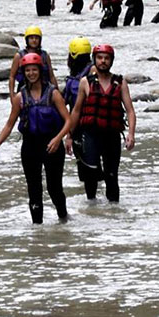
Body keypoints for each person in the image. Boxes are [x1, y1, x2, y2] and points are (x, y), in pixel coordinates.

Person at [0, 52, 71, 224]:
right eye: (27, 71)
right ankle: (37, 231)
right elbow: (9, 124)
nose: (31, 73)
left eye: (34, 70)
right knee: (34, 190)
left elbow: (69, 120)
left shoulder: (53, 94)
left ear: (40, 71)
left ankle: (63, 220)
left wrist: (59, 139)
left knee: (54, 188)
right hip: (30, 147)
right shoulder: (20, 97)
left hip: (52, 145)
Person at [53, 42, 135, 203]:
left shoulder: (120, 82)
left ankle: (114, 211)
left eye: (106, 58)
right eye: (99, 58)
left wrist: (131, 134)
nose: (103, 61)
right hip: (90, 134)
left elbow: (130, 111)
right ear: (94, 60)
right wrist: (69, 136)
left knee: (112, 175)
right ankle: (91, 209)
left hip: (112, 135)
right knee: (90, 173)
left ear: (111, 61)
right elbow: (76, 111)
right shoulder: (86, 82)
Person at [61, 37, 95, 197]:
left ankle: (92, 197)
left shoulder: (90, 73)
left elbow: (73, 108)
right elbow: (64, 102)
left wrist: (68, 134)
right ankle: (92, 199)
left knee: (88, 166)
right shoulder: (73, 78)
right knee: (85, 166)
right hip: (79, 127)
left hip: (86, 126)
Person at [8, 26, 55, 96]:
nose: (34, 40)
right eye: (31, 38)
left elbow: (51, 76)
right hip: (24, 91)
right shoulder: (19, 56)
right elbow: (12, 77)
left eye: (36, 38)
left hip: (43, 91)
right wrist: (12, 95)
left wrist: (56, 91)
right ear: (27, 40)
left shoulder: (45, 55)